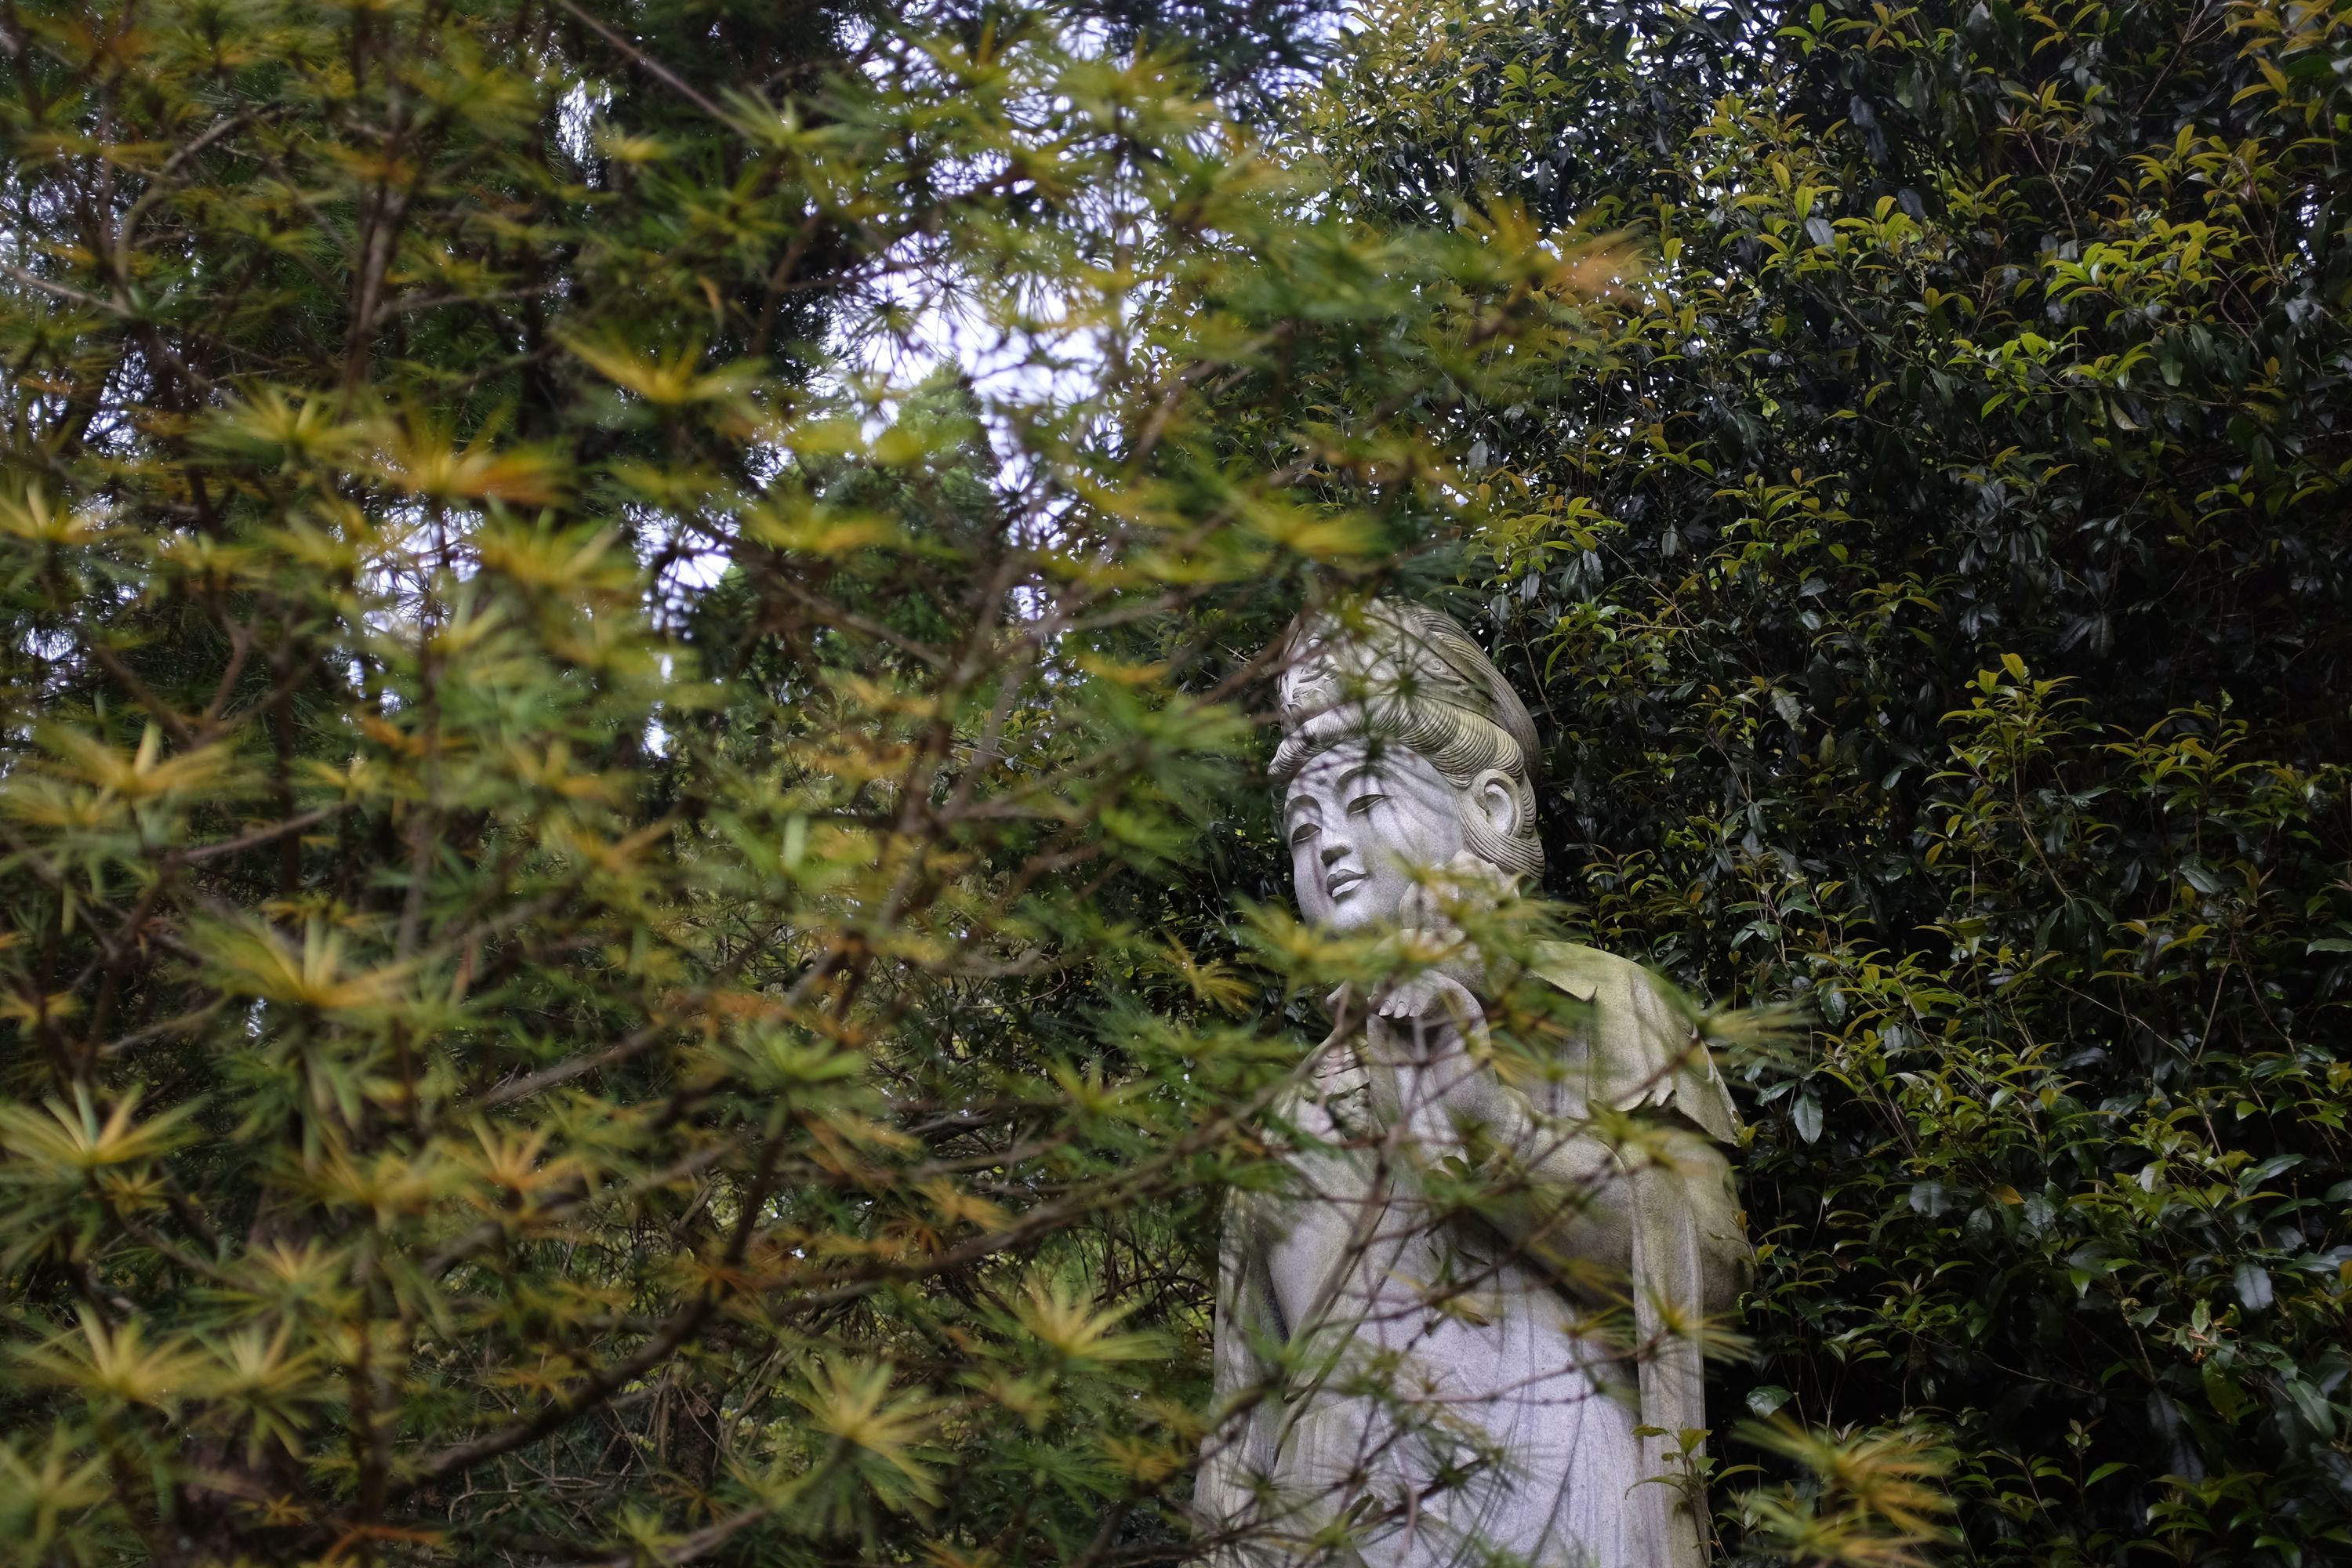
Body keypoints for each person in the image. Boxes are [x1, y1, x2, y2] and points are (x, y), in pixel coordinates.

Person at [1196, 600, 1748, 1568]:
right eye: (1301, 825)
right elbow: (1237, 1427)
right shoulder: (1287, 1115)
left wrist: (1491, 1121)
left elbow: (1708, 1278)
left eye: (1365, 802)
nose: (1326, 847)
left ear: (1486, 808)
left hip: (1557, 1499)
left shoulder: (1593, 1001)